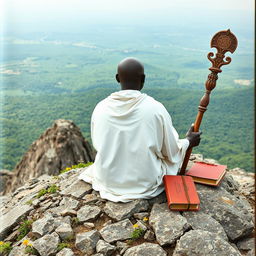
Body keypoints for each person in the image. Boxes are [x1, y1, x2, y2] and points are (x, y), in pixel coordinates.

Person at [78, 57, 201, 202]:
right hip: (143, 183)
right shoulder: (155, 109)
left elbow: (98, 145)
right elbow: (170, 152)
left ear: (117, 78)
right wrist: (188, 142)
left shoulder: (100, 108)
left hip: (107, 180)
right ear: (143, 78)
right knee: (169, 163)